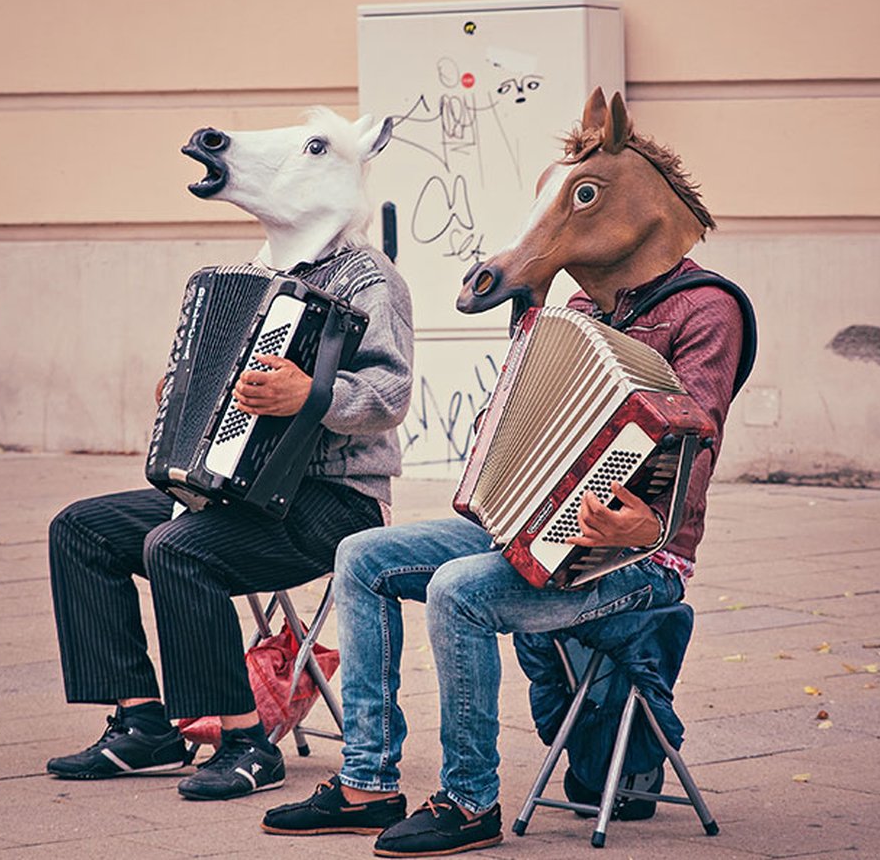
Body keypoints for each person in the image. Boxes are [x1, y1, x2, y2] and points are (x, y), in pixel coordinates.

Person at [259, 88, 751, 855]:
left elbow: (696, 434)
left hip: (642, 556)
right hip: (530, 531)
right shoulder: (581, 315)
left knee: (459, 592)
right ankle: (366, 780)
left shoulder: (706, 310)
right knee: (361, 556)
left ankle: (468, 800)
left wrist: (645, 522)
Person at [45, 244, 413, 801]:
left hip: (337, 500)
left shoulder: (369, 275)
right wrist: (188, 391)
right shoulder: (266, 268)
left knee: (178, 548)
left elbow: (391, 394)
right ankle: (143, 725)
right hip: (246, 489)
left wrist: (310, 395)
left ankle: (248, 745)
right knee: (80, 529)